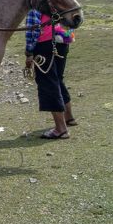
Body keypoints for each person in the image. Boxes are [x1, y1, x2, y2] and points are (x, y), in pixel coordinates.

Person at [24, 9, 76, 139]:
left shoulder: (36, 5)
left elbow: (33, 29)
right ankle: (69, 118)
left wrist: (29, 52)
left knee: (48, 83)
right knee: (58, 79)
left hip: (44, 44)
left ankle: (60, 129)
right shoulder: (58, 0)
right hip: (62, 41)